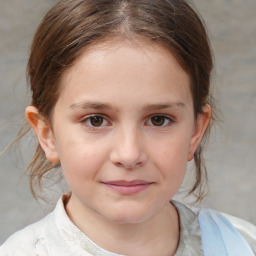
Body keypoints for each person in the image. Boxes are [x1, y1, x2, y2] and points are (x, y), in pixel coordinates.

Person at [0, 0, 255, 255]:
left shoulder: (243, 244)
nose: (129, 155)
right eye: (95, 120)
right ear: (47, 135)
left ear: (195, 131)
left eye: (158, 119)